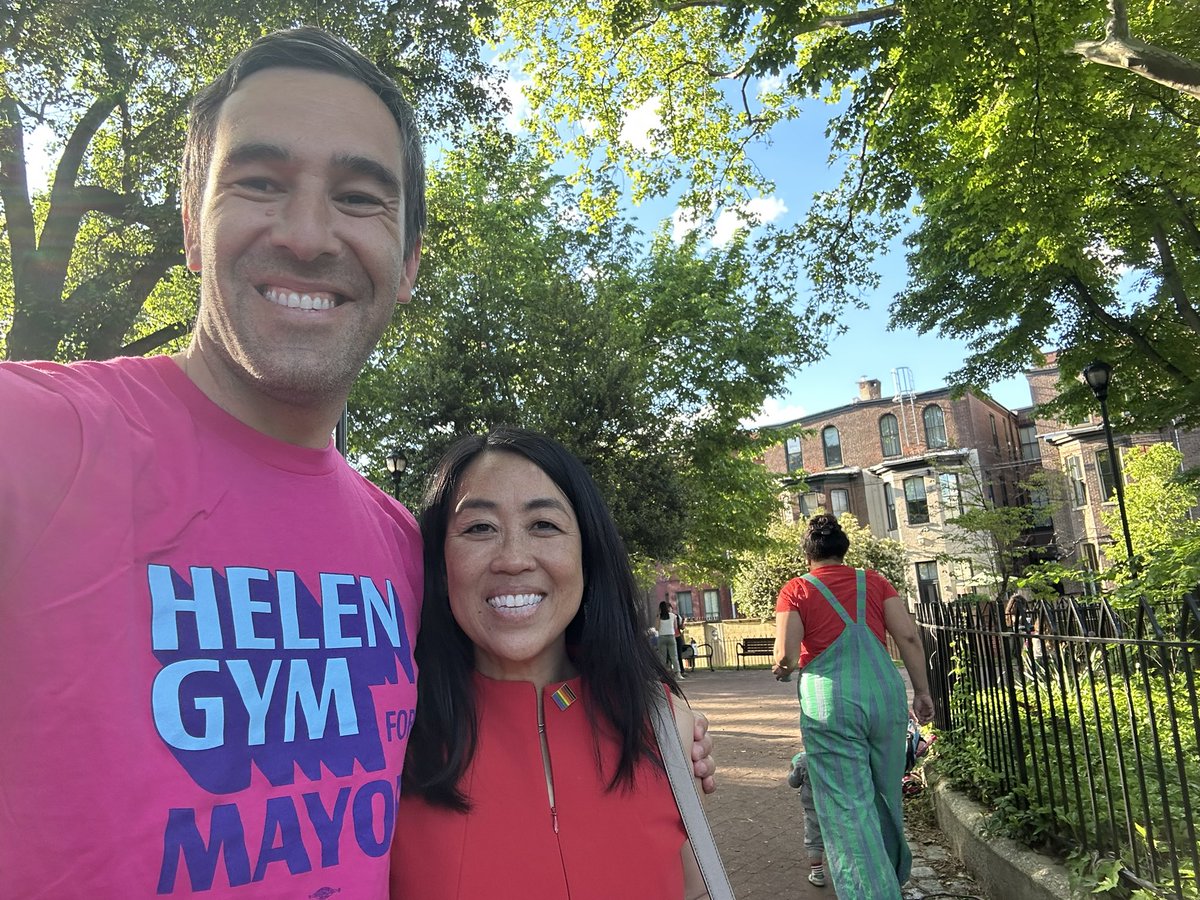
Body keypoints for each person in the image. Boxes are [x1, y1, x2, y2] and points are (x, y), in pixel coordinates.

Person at [0, 28, 714, 898]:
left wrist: (655, 711)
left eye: (359, 196)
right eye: (260, 182)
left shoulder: (401, 549)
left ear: (407, 263)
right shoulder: (41, 439)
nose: (307, 235)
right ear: (192, 226)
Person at [393, 428, 715, 899]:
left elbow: (691, 887)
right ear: (440, 564)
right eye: (479, 528)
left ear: (588, 551)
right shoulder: (388, 743)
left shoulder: (665, 726)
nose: (513, 559)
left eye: (544, 524)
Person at [772, 514, 935, 900]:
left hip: (831, 702)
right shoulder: (875, 582)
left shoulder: (796, 589)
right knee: (884, 792)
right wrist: (922, 692)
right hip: (884, 696)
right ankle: (890, 874)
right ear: (843, 551)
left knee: (847, 804)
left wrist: (781, 669)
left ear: (808, 556)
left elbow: (787, 656)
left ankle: (871, 892)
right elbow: (909, 637)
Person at [786, 750, 826, 887]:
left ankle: (817, 874)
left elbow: (793, 782)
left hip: (813, 805)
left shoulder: (804, 759)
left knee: (814, 839)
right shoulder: (840, 756)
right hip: (837, 805)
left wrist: (792, 769)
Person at [659, 600, 684, 676]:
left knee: (665, 656)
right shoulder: (672, 616)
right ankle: (676, 672)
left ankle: (663, 673)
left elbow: (656, 627)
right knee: (673, 656)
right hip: (671, 636)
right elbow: (675, 627)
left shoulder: (660, 616)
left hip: (667, 636)